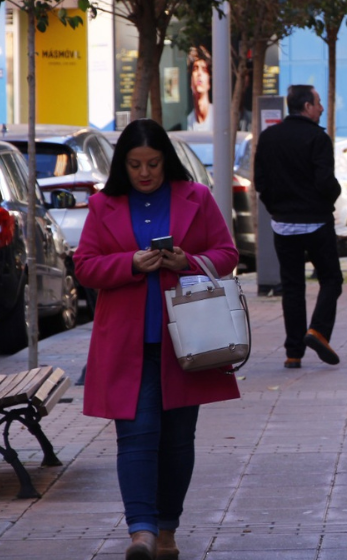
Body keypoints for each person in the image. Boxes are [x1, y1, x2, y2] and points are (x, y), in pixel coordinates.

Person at [74, 118, 240, 560]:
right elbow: (85, 266)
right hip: (127, 342)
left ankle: (167, 530)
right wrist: (130, 263)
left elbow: (227, 255)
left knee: (177, 441)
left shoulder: (196, 198)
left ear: (166, 160)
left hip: (189, 342)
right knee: (136, 436)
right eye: (134, 165)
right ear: (122, 166)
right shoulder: (103, 205)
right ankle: (141, 532)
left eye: (152, 163)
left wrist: (188, 260)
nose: (145, 173)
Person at [254, 84, 343, 368]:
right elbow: (325, 181)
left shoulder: (268, 137)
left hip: (282, 226)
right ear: (307, 107)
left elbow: (262, 182)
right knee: (331, 279)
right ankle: (317, 331)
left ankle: (294, 352)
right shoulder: (318, 138)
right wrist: (332, 196)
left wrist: (277, 209)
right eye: (318, 103)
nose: (322, 108)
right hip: (316, 222)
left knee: (292, 286)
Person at [186, 46, 212, 132]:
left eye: (204, 69)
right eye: (195, 69)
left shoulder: (219, 117)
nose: (199, 73)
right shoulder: (189, 120)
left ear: (209, 82)